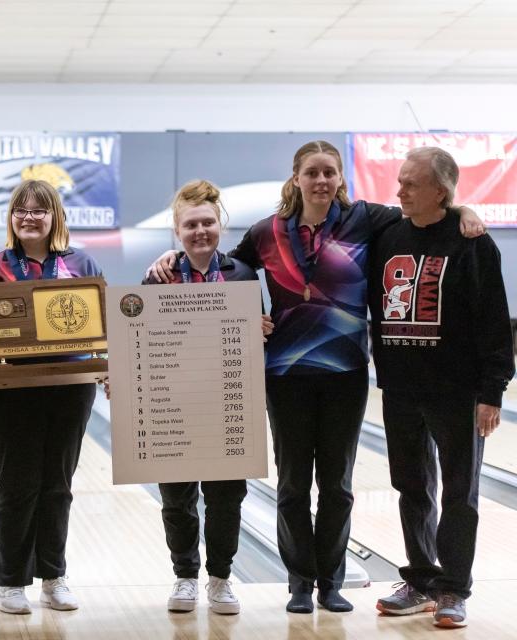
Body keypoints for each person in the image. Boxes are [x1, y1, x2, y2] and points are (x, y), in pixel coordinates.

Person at [147, 140, 483, 614]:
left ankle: (330, 581)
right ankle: (299, 582)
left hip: (345, 373)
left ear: (341, 178)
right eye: (313, 172)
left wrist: (465, 208)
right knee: (292, 486)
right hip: (285, 375)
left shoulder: (366, 219)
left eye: (330, 172)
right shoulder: (268, 232)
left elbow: (428, 211)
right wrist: (167, 257)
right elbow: (216, 267)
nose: (322, 180)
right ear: (297, 177)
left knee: (337, 487)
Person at [369, 147, 513, 629]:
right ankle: (420, 581)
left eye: (411, 183)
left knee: (459, 492)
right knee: (411, 487)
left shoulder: (473, 243)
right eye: (400, 180)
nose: (399, 190)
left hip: (458, 392)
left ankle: (453, 588)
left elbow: (495, 324)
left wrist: (492, 392)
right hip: (402, 390)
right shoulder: (388, 234)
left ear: (442, 193)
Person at [0, 179, 103, 615]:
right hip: (14, 391)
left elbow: (100, 331)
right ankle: (9, 583)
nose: (29, 216)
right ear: (11, 217)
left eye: (39, 209)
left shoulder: (81, 262)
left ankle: (53, 577)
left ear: (54, 216)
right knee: (18, 485)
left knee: (57, 486)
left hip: (70, 388)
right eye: (20, 209)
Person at [139, 180, 272, 615]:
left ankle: (220, 579)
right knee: (177, 498)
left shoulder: (241, 274)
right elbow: (138, 336)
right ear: (178, 232)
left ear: (221, 226)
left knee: (225, 497)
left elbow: (253, 333)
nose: (201, 231)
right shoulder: (158, 276)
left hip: (224, 399)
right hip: (173, 401)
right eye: (191, 224)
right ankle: (183, 577)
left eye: (208, 223)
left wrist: (260, 330)